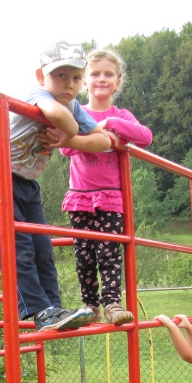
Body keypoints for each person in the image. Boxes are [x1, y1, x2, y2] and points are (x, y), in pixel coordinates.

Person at [0, 41, 113, 332]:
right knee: (18, 248)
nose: (69, 84)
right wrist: (71, 131)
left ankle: (54, 308)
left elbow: (103, 140)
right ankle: (39, 310)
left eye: (76, 77)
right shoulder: (38, 95)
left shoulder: (73, 105)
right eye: (60, 75)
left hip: (27, 181)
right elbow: (59, 116)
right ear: (41, 76)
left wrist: (68, 139)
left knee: (43, 249)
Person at [60, 49, 152, 326]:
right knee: (84, 255)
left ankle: (112, 303)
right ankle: (89, 305)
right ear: (84, 81)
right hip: (79, 197)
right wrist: (98, 135)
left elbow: (145, 137)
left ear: (118, 81)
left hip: (110, 197)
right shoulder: (76, 112)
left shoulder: (119, 115)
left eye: (108, 74)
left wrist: (110, 123)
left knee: (109, 253)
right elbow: (65, 148)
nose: (102, 79)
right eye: (95, 73)